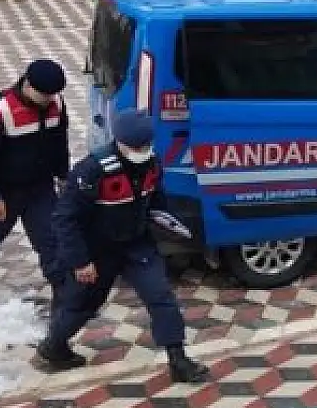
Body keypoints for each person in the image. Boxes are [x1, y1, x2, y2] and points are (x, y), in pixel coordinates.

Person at [36, 110, 209, 383]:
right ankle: (54, 346)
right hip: (97, 250)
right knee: (83, 303)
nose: (141, 152)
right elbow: (65, 219)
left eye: (145, 146)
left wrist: (170, 226)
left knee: (161, 297)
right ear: (119, 141)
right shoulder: (91, 170)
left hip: (137, 245)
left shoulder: (152, 164)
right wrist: (80, 261)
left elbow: (156, 200)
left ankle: (178, 360)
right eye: (135, 147)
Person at [0, 59, 70, 303]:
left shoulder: (56, 104)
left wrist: (64, 176)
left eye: (52, 95)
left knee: (52, 240)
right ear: (27, 84)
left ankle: (63, 295)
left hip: (39, 187)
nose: (49, 100)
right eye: (44, 95)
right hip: (3, 190)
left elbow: (60, 144)